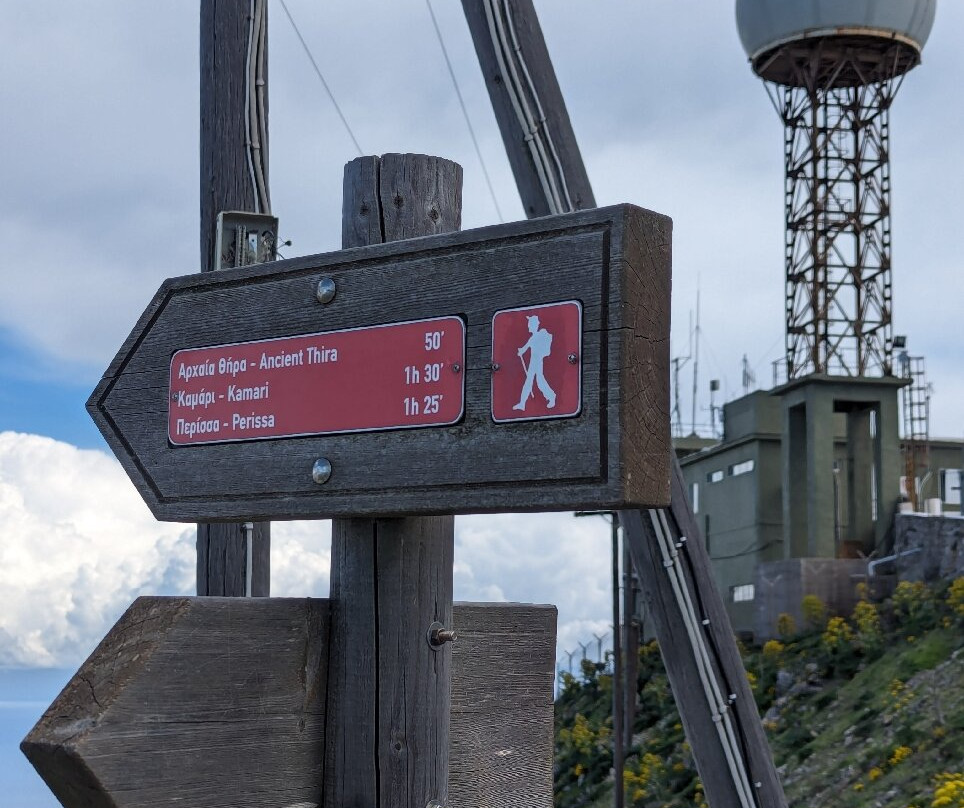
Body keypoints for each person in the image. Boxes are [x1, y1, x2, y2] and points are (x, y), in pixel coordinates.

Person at [514, 314, 556, 411]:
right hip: (533, 363)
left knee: (539, 382)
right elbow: (524, 348)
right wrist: (520, 351)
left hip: (537, 362)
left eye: (530, 324)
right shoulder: (533, 338)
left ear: (534, 325)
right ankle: (522, 403)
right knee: (529, 382)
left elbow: (526, 348)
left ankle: (551, 397)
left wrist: (522, 351)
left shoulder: (538, 336)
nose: (528, 326)